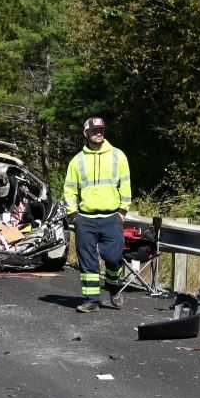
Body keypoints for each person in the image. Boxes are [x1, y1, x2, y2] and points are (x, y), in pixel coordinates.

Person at [62, 116, 132, 311]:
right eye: (94, 131)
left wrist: (123, 210)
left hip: (111, 217)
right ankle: (91, 300)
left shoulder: (118, 156)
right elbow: (69, 189)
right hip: (85, 218)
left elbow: (125, 184)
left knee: (113, 257)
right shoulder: (77, 161)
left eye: (101, 130)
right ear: (86, 133)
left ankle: (113, 286)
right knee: (88, 262)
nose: (98, 133)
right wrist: (74, 214)